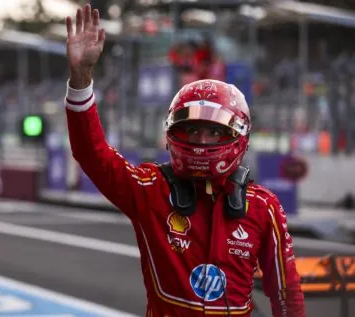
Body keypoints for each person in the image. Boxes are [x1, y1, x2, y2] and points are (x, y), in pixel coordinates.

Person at [64, 4, 306, 317]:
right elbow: (91, 153)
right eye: (191, 130)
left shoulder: (263, 207)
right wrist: (81, 77)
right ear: (172, 132)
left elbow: (286, 293)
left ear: (239, 135)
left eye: (214, 132)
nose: (201, 141)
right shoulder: (150, 191)